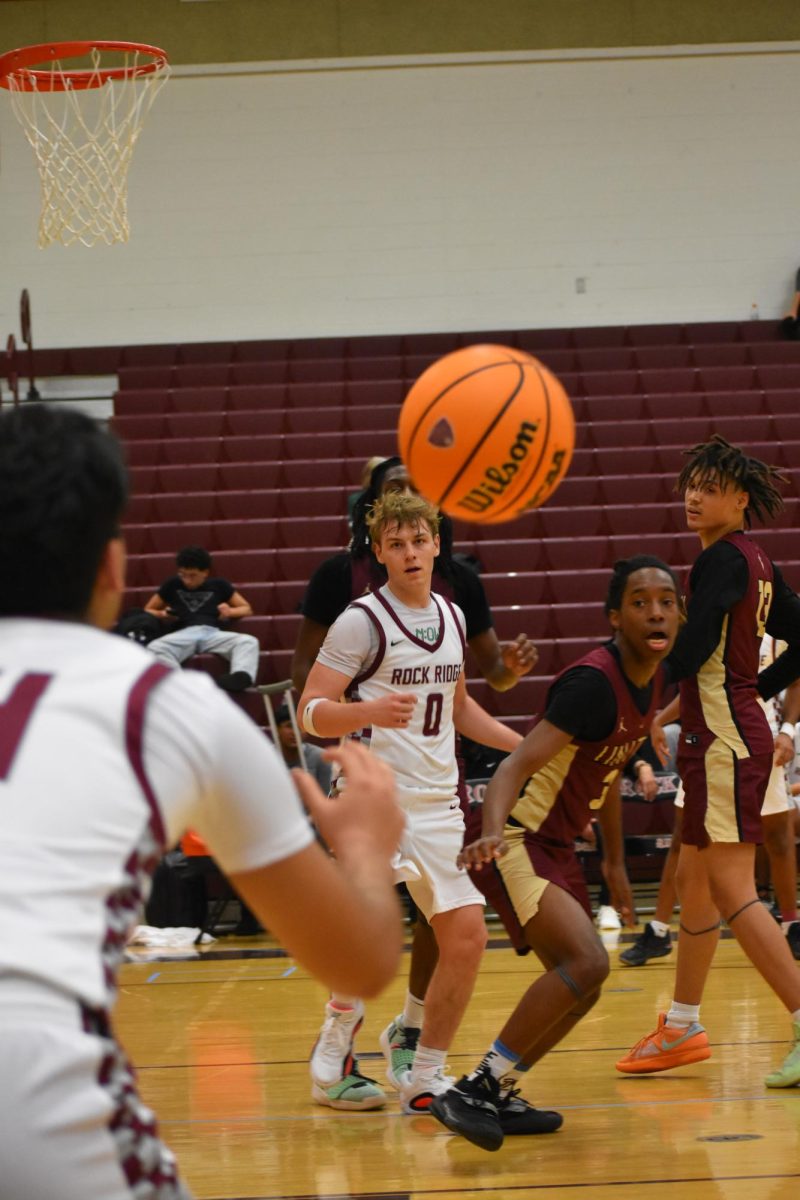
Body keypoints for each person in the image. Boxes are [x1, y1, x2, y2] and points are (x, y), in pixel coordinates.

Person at [0, 405, 405, 1200]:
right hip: (28, 1080)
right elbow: (358, 958)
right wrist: (360, 844)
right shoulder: (165, 705)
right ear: (113, 566)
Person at [293, 455, 538, 1109]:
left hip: (438, 806)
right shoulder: (360, 621)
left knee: (466, 935)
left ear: (436, 543)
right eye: (395, 543)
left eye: (418, 540)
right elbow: (310, 710)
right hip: (376, 800)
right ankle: (337, 1034)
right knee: (370, 934)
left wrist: (526, 747)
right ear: (377, 551)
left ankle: (426, 1075)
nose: (409, 551)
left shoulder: (453, 618)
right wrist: (366, 710)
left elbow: (460, 710)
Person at [428, 556, 681, 1151]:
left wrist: (616, 863)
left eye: (667, 600)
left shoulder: (654, 678)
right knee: (589, 962)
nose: (656, 611)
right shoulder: (592, 682)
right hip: (516, 834)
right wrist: (491, 830)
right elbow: (514, 764)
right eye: (640, 601)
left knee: (585, 981)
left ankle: (497, 1088)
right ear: (615, 616)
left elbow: (609, 768)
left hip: (559, 844)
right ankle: (473, 1088)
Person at [616, 435, 800, 1087]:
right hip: (724, 732)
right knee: (695, 879)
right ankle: (682, 1026)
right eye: (690, 484)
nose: (694, 496)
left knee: (730, 887)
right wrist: (759, 693)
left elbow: (689, 654)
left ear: (740, 499)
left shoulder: (722, 559)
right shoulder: (759, 563)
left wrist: (632, 680)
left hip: (723, 739)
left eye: (710, 486)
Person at [144, 545, 260, 691]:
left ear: (205, 572)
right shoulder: (172, 584)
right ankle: (179, 685)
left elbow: (246, 608)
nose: (187, 580)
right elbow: (148, 609)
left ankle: (240, 678)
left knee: (248, 641)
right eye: (182, 574)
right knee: (155, 647)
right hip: (182, 634)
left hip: (211, 632)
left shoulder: (219, 585)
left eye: (192, 575)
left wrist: (229, 611)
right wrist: (162, 614)